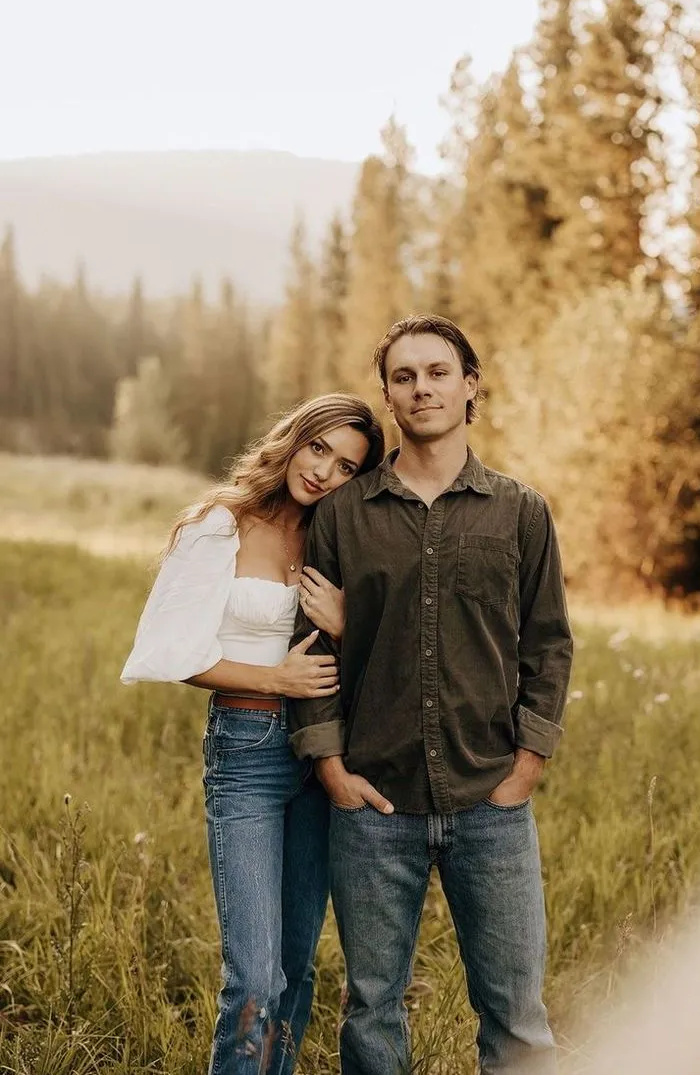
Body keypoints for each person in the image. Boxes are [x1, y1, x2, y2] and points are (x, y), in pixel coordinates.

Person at [290, 316, 574, 1075]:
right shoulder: (344, 515)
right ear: (387, 395)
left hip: (492, 801)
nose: (422, 388)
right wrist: (330, 766)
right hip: (374, 802)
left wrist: (527, 764)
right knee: (372, 1009)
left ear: (470, 384)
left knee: (517, 1017)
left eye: (438, 371)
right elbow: (310, 645)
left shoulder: (520, 511)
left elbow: (547, 643)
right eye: (404, 375)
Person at [120, 394, 385, 1075]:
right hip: (248, 745)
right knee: (255, 976)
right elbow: (169, 651)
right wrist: (277, 681)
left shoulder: (335, 538)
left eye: (348, 466)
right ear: (293, 440)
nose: (326, 472)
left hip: (325, 751)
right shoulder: (221, 523)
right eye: (319, 448)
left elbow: (375, 660)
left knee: (297, 966)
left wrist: (352, 626)